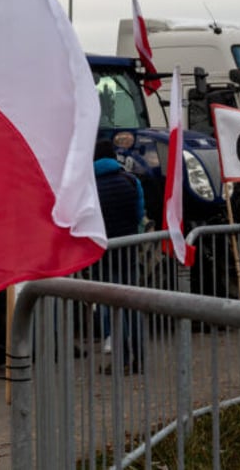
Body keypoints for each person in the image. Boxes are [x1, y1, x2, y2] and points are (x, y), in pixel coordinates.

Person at [92, 138, 145, 374]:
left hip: (103, 252)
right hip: (129, 248)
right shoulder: (131, 180)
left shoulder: (90, 186)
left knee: (110, 304)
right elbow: (138, 215)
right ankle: (139, 358)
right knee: (133, 301)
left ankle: (121, 360)